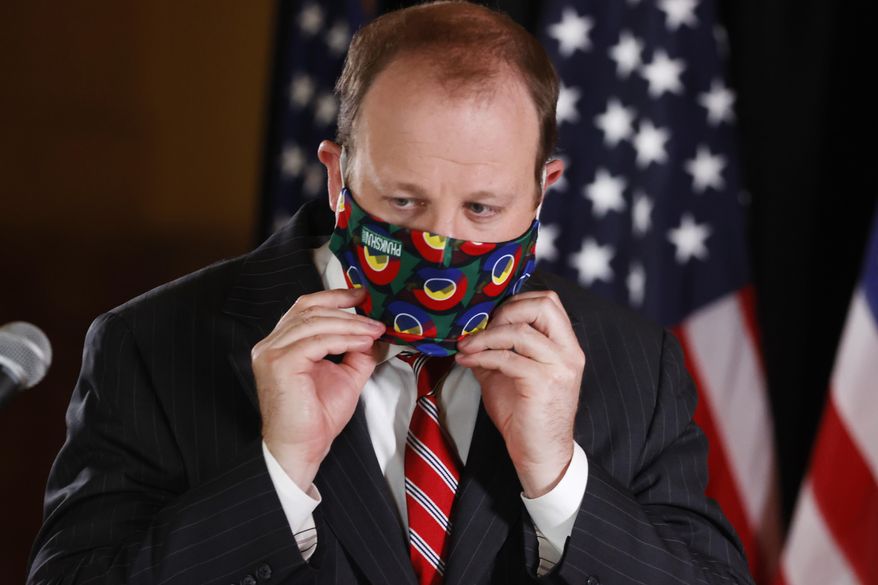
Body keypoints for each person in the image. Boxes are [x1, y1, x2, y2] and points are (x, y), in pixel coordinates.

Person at [28, 2, 754, 584]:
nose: (439, 244)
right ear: (338, 175)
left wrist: (559, 481)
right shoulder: (151, 343)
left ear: (543, 192)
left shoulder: (632, 360)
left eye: (481, 209)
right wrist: (277, 474)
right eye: (403, 201)